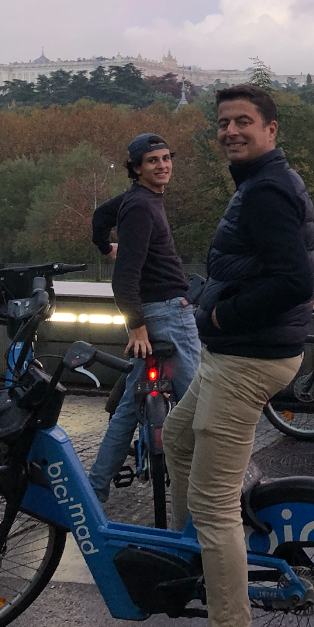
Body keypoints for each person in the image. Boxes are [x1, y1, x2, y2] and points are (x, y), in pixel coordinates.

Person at [164, 85, 314, 627]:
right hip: (235, 353)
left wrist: (223, 312)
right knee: (177, 439)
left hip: (247, 358)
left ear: (270, 130)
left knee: (214, 504)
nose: (231, 131)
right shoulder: (260, 183)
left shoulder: (267, 191)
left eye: (244, 122)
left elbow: (293, 281)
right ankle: (196, 561)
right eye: (223, 122)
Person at [86, 133, 201, 503]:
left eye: (166, 158)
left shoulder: (138, 200)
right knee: (201, 401)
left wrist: (105, 244)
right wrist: (136, 325)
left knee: (130, 407)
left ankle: (95, 487)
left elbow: (100, 216)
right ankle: (223, 489)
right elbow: (125, 276)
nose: (162, 165)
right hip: (166, 313)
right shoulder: (140, 207)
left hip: (157, 311)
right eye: (153, 161)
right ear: (136, 168)